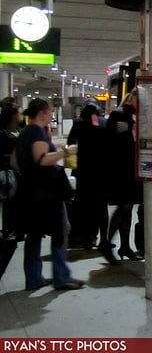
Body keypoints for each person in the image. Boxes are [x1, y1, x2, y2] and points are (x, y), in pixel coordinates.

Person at [14, 98, 84, 291]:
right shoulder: (36, 132)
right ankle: (62, 277)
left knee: (34, 234)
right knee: (60, 230)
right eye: (50, 112)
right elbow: (42, 159)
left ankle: (34, 278)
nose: (52, 115)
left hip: (30, 191)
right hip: (45, 193)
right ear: (43, 113)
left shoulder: (24, 132)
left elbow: (14, 161)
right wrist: (65, 152)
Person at [102, 91, 143, 264]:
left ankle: (125, 246)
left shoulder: (138, 115)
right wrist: (131, 131)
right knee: (123, 207)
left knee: (128, 208)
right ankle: (106, 244)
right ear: (131, 97)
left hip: (132, 170)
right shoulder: (119, 114)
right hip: (120, 170)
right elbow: (111, 141)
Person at [66, 98, 108, 250]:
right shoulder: (104, 123)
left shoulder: (78, 122)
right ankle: (103, 238)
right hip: (101, 172)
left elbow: (70, 142)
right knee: (101, 207)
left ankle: (87, 239)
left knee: (84, 206)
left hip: (83, 171)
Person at [0, 103, 22, 279]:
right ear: (13, 115)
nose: (21, 114)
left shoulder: (19, 130)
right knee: (10, 229)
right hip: (8, 182)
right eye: (19, 112)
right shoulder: (3, 135)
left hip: (18, 181)